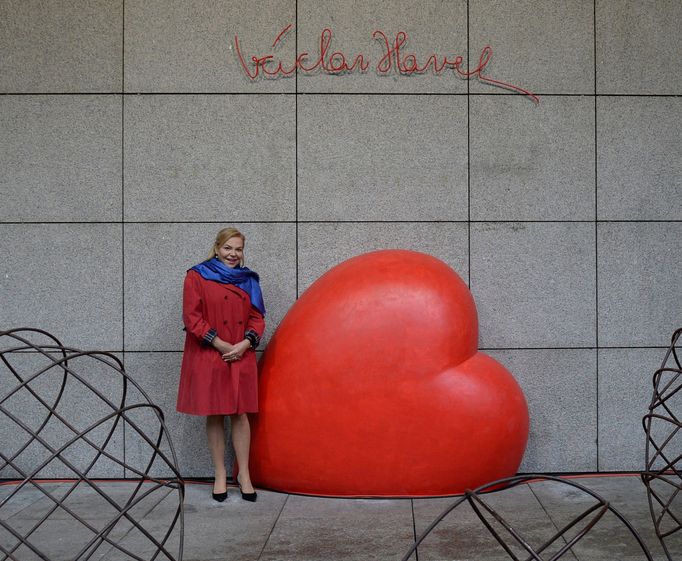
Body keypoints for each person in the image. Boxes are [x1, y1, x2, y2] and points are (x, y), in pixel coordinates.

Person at [176, 227, 266, 502]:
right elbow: (192, 318)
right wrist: (220, 343)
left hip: (241, 353)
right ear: (216, 248)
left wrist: (245, 343)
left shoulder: (248, 279)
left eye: (238, 249)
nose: (233, 254)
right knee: (214, 413)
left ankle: (244, 475)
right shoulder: (196, 276)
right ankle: (219, 474)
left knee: (240, 414)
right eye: (228, 248)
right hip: (210, 354)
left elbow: (257, 317)